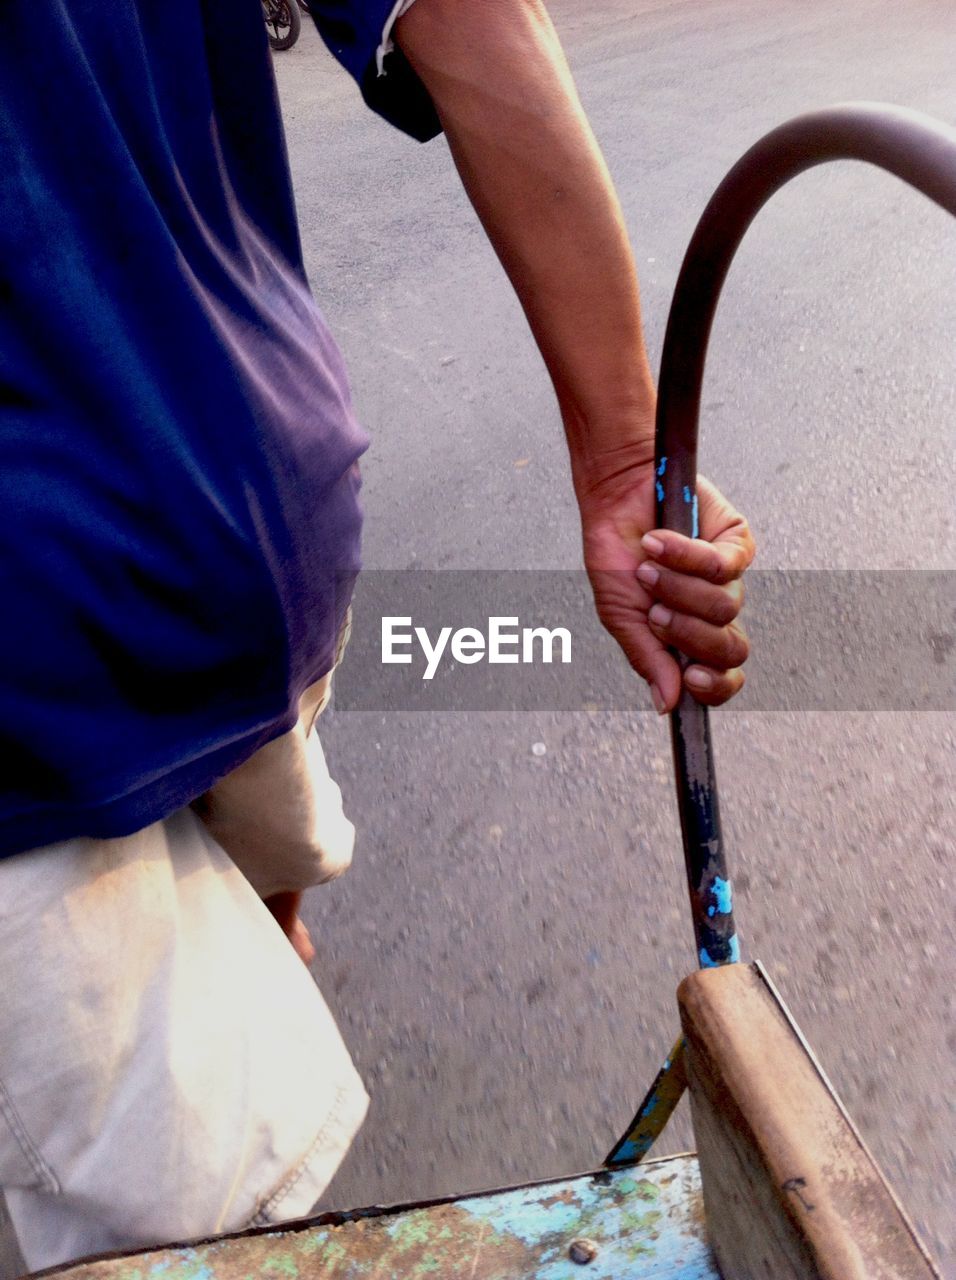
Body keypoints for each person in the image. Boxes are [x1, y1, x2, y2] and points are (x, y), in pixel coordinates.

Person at [0, 0, 754, 1270]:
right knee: (260, 876)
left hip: (41, 647)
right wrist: (627, 460)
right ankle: (258, 951)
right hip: (252, 515)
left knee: (194, 1229)